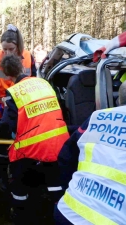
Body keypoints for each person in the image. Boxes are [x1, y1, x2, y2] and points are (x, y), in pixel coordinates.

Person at [0, 54, 69, 225]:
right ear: (23, 67)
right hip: (59, 141)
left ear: (8, 76)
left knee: (20, 181)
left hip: (32, 147)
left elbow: (10, 124)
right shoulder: (43, 83)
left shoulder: (13, 92)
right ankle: (58, 214)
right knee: (54, 182)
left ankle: (19, 215)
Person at [54, 82, 126, 224]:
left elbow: (66, 157)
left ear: (119, 100)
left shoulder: (98, 117)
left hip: (68, 210)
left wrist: (71, 191)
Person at [0, 24, 37, 191]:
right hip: (0, 104)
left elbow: (34, 79)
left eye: (11, 49)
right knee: (3, 139)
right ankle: (2, 174)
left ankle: (21, 172)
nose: (7, 53)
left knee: (22, 138)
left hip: (23, 105)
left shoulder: (28, 57)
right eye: (4, 49)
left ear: (18, 46)